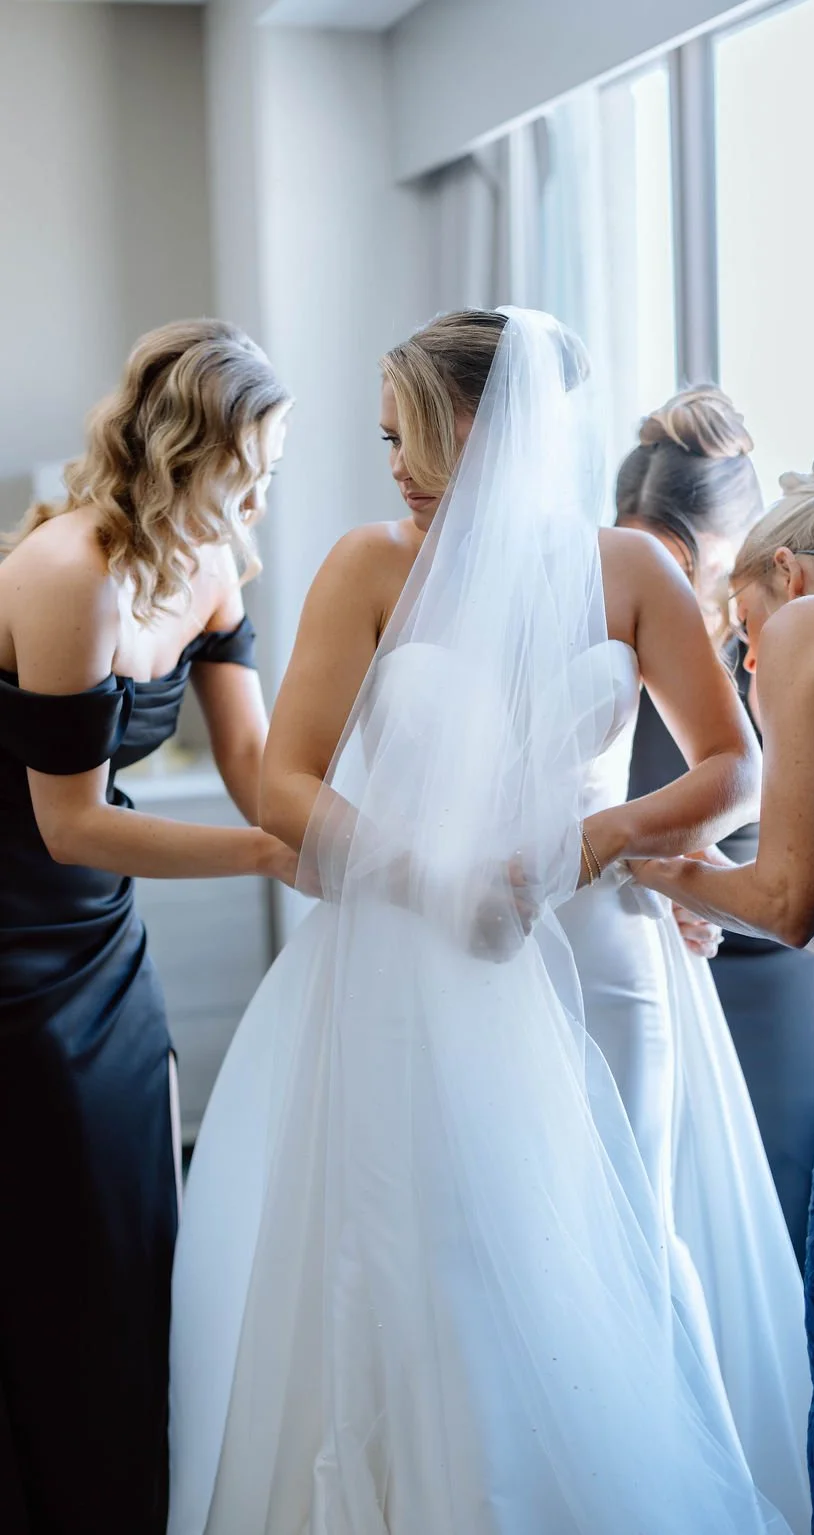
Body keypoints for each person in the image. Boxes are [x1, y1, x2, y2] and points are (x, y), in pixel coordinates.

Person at [168, 308, 812, 1535]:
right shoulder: (368, 565)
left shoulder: (627, 569)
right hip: (417, 960)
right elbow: (288, 779)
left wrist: (588, 843)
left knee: (619, 1243)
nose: (394, 468)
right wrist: (421, 875)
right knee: (440, 1262)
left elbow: (733, 766)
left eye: (410, 436)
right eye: (383, 440)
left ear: (488, 427)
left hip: (599, 945)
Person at [0, 319, 297, 1535]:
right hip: (15, 938)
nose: (268, 491)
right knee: (52, 1236)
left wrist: (356, 833)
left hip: (102, 941)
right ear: (191, 450)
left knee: (137, 1223)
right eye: (255, 465)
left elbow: (257, 767)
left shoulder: (216, 565)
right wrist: (280, 856)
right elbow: (70, 823)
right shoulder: (69, 571)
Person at [631, 455, 814, 1534]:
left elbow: (785, 900)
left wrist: (644, 861)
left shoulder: (805, 632)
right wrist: (710, 893)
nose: (743, 656)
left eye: (737, 629)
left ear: (784, 573)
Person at [616, 388, 814, 1265]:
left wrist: (705, 884)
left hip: (782, 953)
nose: (664, 589)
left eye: (688, 564)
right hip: (655, 949)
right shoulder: (600, 622)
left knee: (787, 1218)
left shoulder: (779, 644)